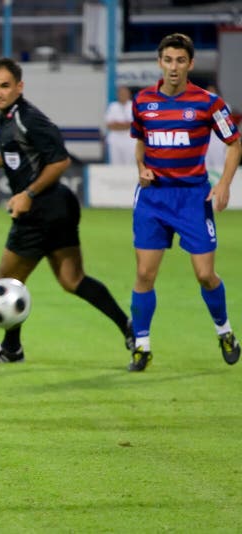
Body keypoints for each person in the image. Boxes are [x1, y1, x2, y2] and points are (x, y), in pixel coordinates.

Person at [0, 57, 132, 364]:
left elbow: (60, 160)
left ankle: (12, 349)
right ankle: (130, 328)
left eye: (5, 86)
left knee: (7, 281)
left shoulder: (28, 117)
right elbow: (14, 152)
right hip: (58, 206)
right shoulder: (9, 116)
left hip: (40, 209)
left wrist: (27, 193)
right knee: (72, 280)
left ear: (19, 86)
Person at [127, 33, 242, 372]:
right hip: (153, 199)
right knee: (145, 274)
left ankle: (225, 331)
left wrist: (223, 184)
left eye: (180, 61)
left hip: (192, 198)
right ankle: (142, 347)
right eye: (168, 60)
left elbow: (234, 144)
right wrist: (141, 167)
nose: (174, 67)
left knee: (205, 275)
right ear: (159, 63)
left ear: (190, 64)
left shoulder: (209, 103)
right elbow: (140, 142)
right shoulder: (143, 102)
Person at [104, 85, 136, 165]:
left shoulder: (134, 106)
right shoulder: (113, 106)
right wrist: (126, 124)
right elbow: (110, 125)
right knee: (115, 165)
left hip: (130, 141)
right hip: (115, 141)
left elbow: (134, 124)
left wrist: (118, 124)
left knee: (130, 165)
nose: (122, 95)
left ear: (129, 94)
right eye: (120, 93)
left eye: (124, 93)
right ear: (117, 95)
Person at [204, 84, 230, 173]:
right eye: (208, 92)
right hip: (206, 141)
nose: (210, 93)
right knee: (205, 167)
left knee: (219, 166)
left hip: (219, 141)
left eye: (212, 91)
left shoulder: (224, 105)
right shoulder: (201, 106)